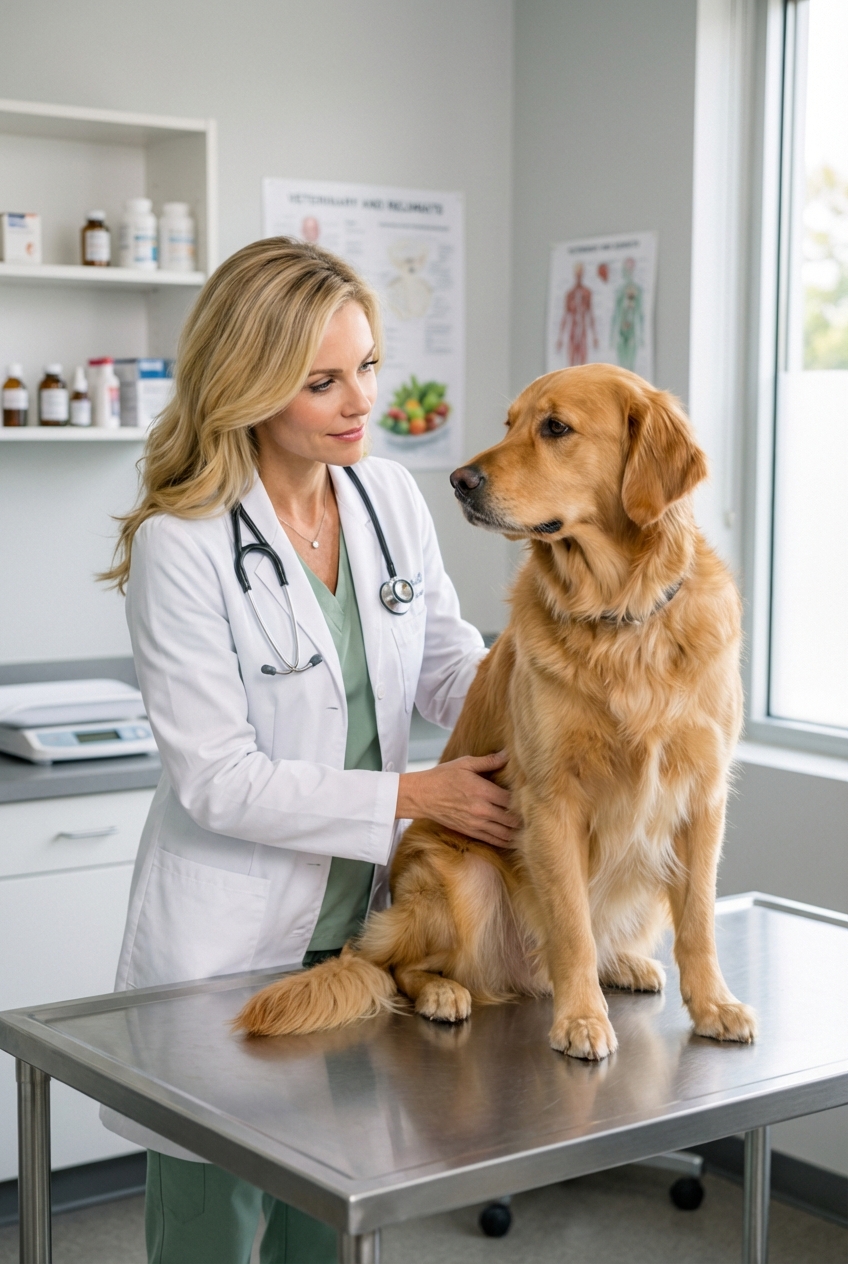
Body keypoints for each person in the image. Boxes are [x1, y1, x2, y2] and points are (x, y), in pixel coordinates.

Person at [100, 236, 519, 1264]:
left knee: (326, 1229)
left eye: (367, 366)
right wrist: (415, 796)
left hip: (360, 946)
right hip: (232, 948)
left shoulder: (385, 497)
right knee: (213, 1231)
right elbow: (217, 778)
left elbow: (441, 665)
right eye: (321, 380)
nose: (358, 401)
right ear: (246, 381)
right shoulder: (183, 541)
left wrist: (538, 684)